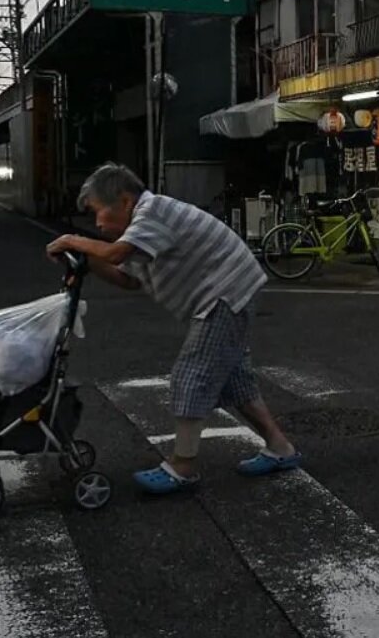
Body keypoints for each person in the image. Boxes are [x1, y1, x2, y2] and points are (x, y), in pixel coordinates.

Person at [46, 162, 300, 494]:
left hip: (225, 293)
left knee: (191, 373)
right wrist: (88, 261)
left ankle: (183, 466)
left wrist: (73, 240)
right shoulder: (139, 229)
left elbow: (116, 254)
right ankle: (281, 448)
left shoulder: (152, 212)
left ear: (124, 201)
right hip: (229, 291)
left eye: (98, 212)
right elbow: (128, 278)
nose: (97, 223)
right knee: (235, 378)